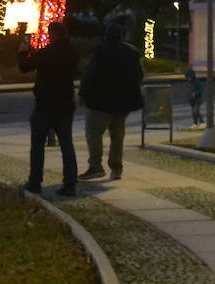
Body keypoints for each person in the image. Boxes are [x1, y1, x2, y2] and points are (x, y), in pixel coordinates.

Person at [18, 21, 79, 197]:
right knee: (66, 144)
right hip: (65, 104)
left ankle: (35, 181)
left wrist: (23, 51)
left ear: (53, 34)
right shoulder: (73, 53)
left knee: (37, 145)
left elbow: (25, 67)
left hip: (45, 104)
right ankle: (70, 183)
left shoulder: (46, 53)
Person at [78, 21, 144, 181]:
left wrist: (82, 94)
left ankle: (95, 166)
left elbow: (90, 75)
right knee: (117, 136)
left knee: (94, 133)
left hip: (101, 101)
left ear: (106, 36)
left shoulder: (101, 52)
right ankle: (116, 168)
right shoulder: (131, 52)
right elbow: (139, 76)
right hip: (123, 103)